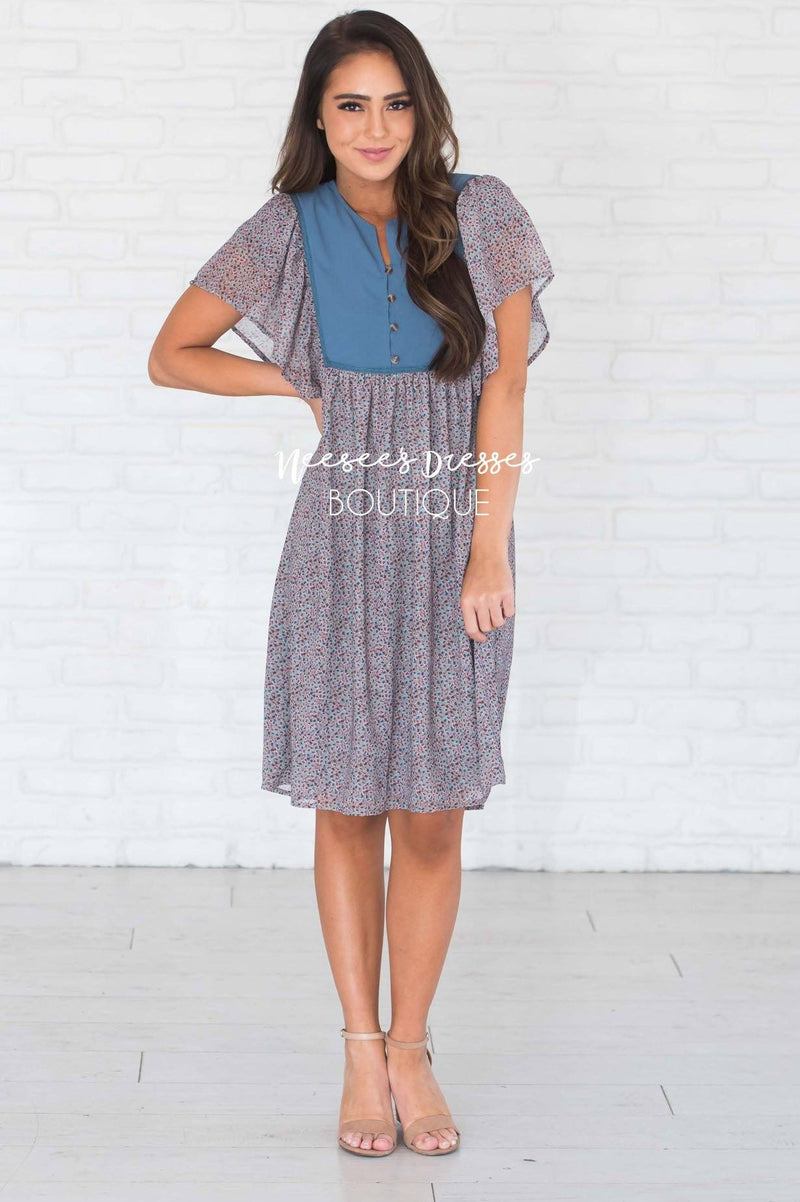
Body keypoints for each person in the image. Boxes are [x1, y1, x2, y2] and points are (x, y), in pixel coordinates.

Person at [148, 9, 553, 1159]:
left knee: (430, 808)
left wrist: (487, 547)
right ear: (317, 118)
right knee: (346, 801)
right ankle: (360, 1051)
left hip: (454, 539)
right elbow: (172, 352)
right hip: (337, 542)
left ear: (420, 110)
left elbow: (504, 390)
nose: (375, 126)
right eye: (349, 105)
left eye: (394, 102)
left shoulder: (484, 213)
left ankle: (412, 1046)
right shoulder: (286, 228)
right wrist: (294, 384)